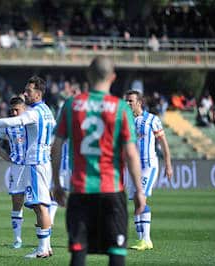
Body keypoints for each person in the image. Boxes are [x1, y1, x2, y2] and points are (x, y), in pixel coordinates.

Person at [51, 55, 146, 266]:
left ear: (88, 74)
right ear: (113, 77)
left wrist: (56, 184)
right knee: (116, 254)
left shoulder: (72, 105)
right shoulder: (121, 107)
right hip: (111, 190)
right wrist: (139, 190)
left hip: (80, 191)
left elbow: (56, 146)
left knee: (78, 253)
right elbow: (130, 153)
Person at [0, 76, 56, 258]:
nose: (25, 93)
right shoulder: (47, 111)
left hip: (34, 162)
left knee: (40, 206)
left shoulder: (33, 113)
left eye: (29, 91)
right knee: (41, 206)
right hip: (43, 161)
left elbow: (12, 122)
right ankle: (46, 247)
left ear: (38, 93)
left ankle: (42, 249)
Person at [125, 90, 173, 251]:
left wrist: (168, 164)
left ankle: (147, 239)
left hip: (148, 165)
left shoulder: (152, 119)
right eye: (126, 101)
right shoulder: (127, 120)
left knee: (141, 198)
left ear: (139, 102)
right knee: (137, 202)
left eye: (130, 101)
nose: (127, 104)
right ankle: (140, 240)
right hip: (132, 167)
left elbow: (163, 142)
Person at [0, 96, 27, 249]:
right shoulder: (6, 125)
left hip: (34, 166)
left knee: (40, 204)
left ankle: (44, 242)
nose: (13, 112)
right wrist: (6, 156)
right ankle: (17, 240)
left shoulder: (31, 121)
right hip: (17, 167)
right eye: (11, 110)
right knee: (17, 202)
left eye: (16, 110)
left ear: (24, 109)